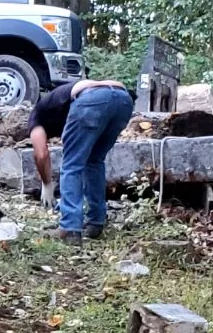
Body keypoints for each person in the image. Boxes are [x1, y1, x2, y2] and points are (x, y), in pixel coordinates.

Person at [28, 77, 136, 240]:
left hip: (91, 99)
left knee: (72, 165)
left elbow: (41, 153)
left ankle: (70, 228)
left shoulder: (36, 116)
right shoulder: (58, 107)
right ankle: (95, 222)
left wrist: (47, 183)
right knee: (94, 161)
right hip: (123, 100)